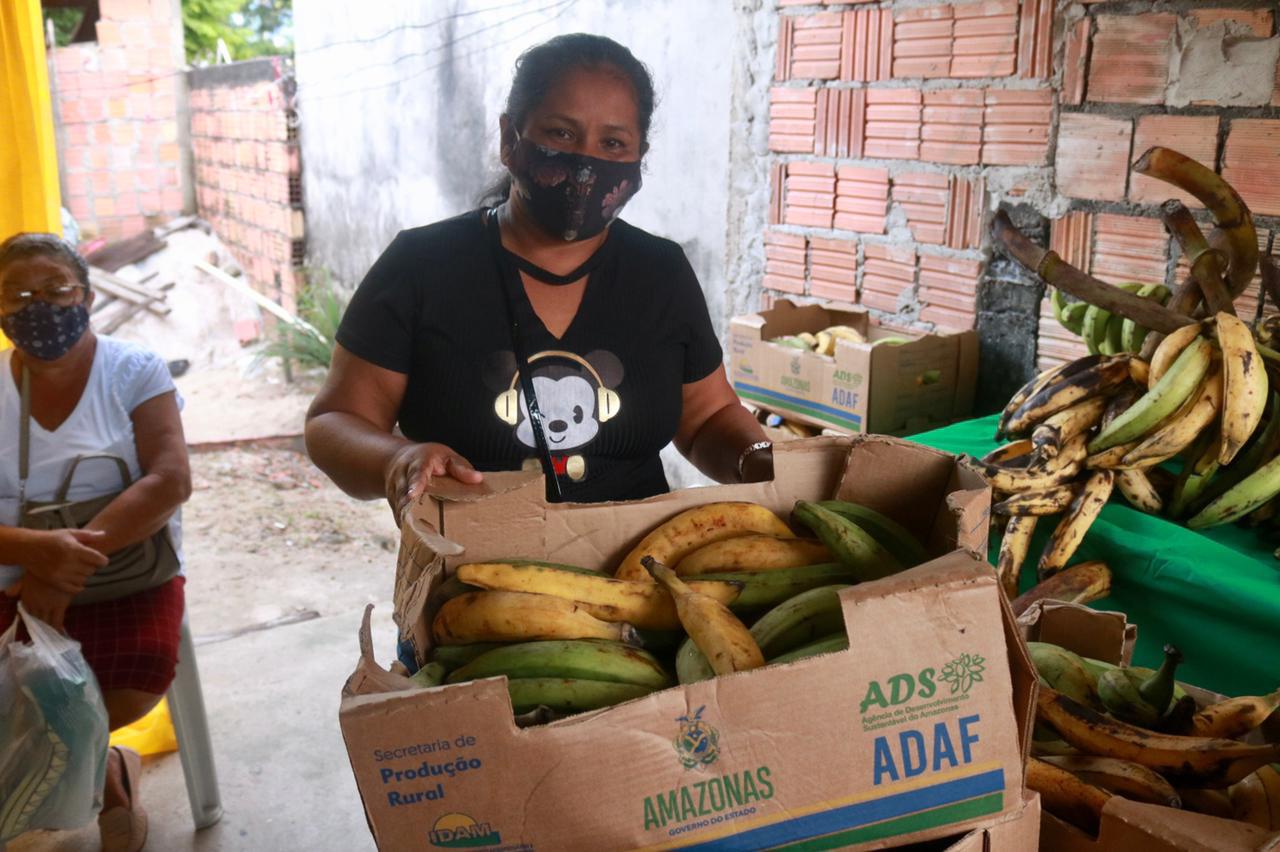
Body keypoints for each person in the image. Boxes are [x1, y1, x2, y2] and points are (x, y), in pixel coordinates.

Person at [307, 33, 772, 513]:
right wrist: (397, 459)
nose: (587, 164)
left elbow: (707, 416)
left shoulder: (660, 272)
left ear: (638, 159)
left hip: (637, 569)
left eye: (613, 142)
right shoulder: (422, 265)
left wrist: (760, 460)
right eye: (561, 134)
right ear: (511, 139)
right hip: (472, 572)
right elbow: (335, 421)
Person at [0, 233, 191, 852]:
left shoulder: (133, 370)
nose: (40, 307)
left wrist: (59, 566)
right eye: (18, 294)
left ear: (85, 294)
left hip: (128, 571)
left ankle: (99, 777)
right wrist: (32, 552)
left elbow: (170, 479)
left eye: (57, 290)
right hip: (12, 575)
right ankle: (105, 777)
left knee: (130, 682)